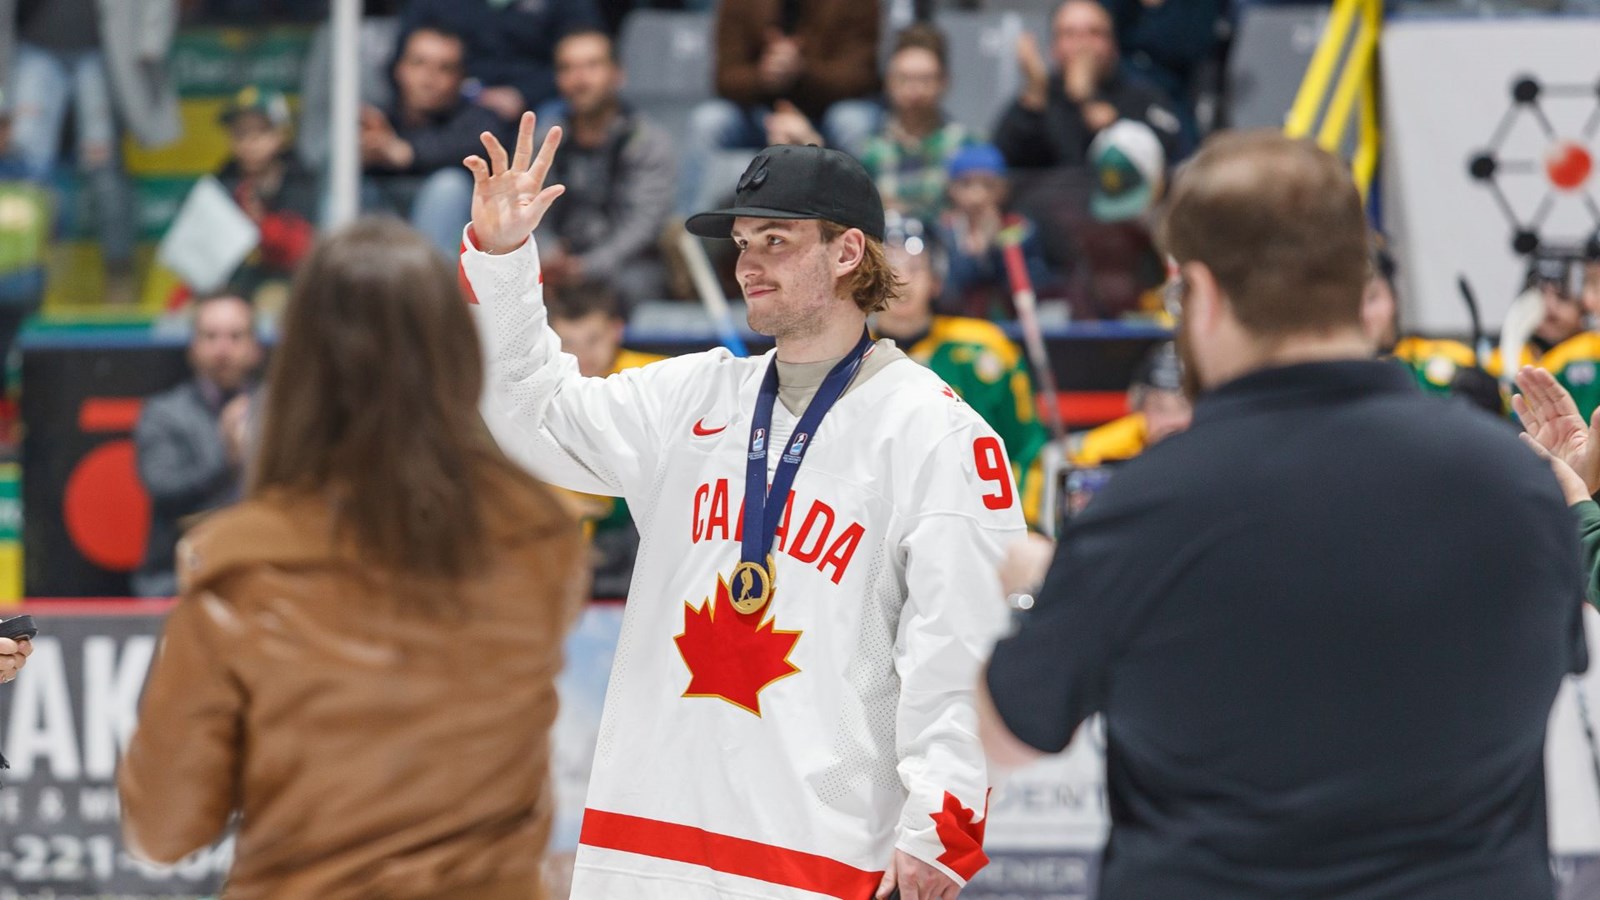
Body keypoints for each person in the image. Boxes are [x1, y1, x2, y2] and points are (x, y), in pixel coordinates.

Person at [978, 130, 1587, 899]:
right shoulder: (1513, 484)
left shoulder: (1144, 506)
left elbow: (1009, 733)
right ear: (1362, 290)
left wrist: (1035, 588)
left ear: (1200, 293)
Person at [466, 119, 1024, 898]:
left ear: (848, 252)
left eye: (775, 241)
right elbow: (533, 412)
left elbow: (958, 647)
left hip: (812, 858)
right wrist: (502, 262)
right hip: (644, 851)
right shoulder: (690, 397)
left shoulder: (936, 434)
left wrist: (942, 827)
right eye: (741, 243)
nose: (747, 265)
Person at [119, 218, 587, 899]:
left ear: (303, 363)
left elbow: (163, 829)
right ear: (454, 350)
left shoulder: (240, 571)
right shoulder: (540, 540)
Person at [875, 220, 1050, 529]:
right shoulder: (843, 354)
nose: (901, 280)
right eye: (890, 269)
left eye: (915, 268)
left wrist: (1023, 526)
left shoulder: (986, 349)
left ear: (936, 280)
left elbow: (1024, 449)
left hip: (975, 525)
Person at [3, 0, 181, 305]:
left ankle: (119, 274)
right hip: (33, 48)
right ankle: (22, 282)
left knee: (105, 170)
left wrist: (152, 39)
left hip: (102, 50)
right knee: (28, 174)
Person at [679, 0, 881, 214]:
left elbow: (861, 77)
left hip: (827, 111)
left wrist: (801, 72)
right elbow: (724, 78)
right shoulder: (739, 4)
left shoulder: (856, 4)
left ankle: (865, 221)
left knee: (853, 121)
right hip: (760, 113)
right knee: (707, 120)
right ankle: (687, 230)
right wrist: (764, 76)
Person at [132, 294, 262, 598]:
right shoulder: (162, 413)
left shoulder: (278, 411)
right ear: (193, 348)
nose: (222, 349)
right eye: (211, 336)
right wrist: (227, 457)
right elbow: (164, 489)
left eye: (235, 336)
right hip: (175, 582)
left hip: (263, 577)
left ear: (255, 348)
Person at [536, 29, 675, 311]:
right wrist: (549, 254)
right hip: (556, 263)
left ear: (617, 74)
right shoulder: (546, 138)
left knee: (637, 282)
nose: (579, 79)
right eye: (568, 68)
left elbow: (643, 226)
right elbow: (528, 210)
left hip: (622, 266)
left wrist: (586, 267)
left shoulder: (647, 140)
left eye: (591, 65)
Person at [546, 280, 666, 597]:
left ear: (616, 330)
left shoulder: (660, 378)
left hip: (650, 525)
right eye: (568, 343)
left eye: (592, 340)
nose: (582, 355)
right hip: (575, 543)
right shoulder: (540, 394)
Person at [993, 0, 1183, 171]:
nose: (1083, 44)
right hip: (1048, 206)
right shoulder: (1040, 97)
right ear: (1054, 47)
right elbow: (1002, 162)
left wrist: (1091, 102)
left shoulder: (1143, 95)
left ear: (1114, 45)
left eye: (1094, 33)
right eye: (1070, 34)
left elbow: (1170, 154)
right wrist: (1034, 94)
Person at [362, 26, 503, 256]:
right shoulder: (380, 118)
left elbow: (473, 148)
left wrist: (405, 152)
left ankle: (430, 289)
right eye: (419, 63)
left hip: (448, 238)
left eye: (444, 68)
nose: (429, 78)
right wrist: (366, 151)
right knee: (351, 183)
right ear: (399, 68)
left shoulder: (478, 120)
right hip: (383, 226)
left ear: (460, 78)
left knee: (449, 186)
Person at [397, 0, 603, 123]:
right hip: (455, 100)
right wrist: (469, 91)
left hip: (541, 100)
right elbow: (402, 61)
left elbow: (585, 53)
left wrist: (523, 94)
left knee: (554, 123)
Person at [859, 24, 978, 225]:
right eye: (904, 79)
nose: (914, 89)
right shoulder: (870, 149)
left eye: (925, 79)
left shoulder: (966, 144)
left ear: (944, 82)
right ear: (888, 82)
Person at [214, 86, 319, 298]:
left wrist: (261, 224)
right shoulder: (222, 181)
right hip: (232, 280)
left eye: (260, 132)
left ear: (281, 134)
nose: (249, 142)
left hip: (286, 280)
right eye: (240, 134)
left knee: (272, 301)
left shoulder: (300, 178)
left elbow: (303, 250)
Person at [935, 144, 1054, 320]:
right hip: (957, 324)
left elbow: (1035, 286)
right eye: (966, 184)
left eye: (988, 185)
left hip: (1013, 323)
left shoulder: (1020, 228)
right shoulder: (942, 231)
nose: (977, 196)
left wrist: (995, 248)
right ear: (951, 189)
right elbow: (947, 292)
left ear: (1003, 189)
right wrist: (975, 254)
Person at [1065, 340, 1190, 466]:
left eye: (1183, 407)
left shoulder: (1208, 452)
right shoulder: (1101, 451)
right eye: (1159, 408)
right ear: (1139, 408)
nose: (1171, 421)